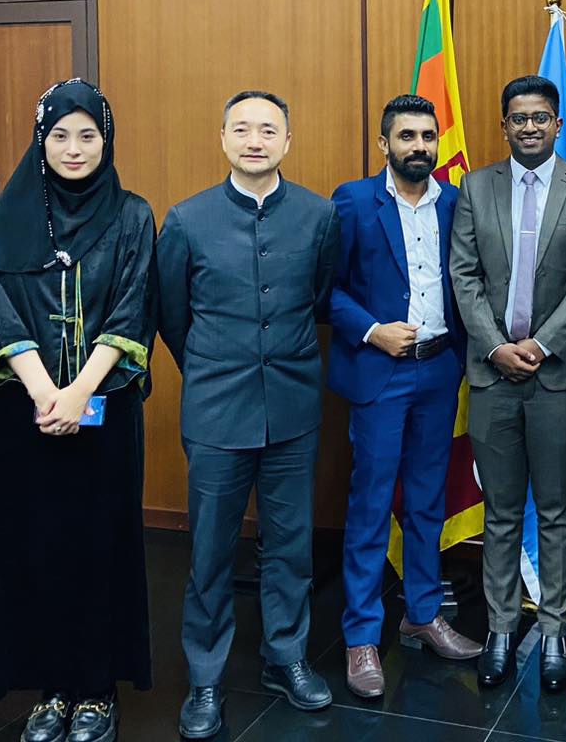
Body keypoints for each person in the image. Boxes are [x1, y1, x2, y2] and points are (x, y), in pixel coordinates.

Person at [0, 80, 156, 742]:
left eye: (88, 135)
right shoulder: (12, 214)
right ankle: (52, 690)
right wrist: (47, 391)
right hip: (31, 411)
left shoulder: (132, 215)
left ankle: (96, 690)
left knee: (101, 547)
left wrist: (80, 393)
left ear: (107, 140)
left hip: (106, 409)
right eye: (60, 135)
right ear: (40, 140)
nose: (74, 148)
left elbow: (133, 305)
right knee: (38, 546)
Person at [158, 90, 341, 736]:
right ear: (223, 139)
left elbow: (320, 297)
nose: (255, 140)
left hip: (293, 407)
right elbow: (172, 315)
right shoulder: (187, 220)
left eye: (268, 130)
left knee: (290, 546)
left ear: (287, 141)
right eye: (242, 129)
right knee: (210, 550)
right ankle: (204, 677)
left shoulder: (319, 216)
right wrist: (215, 366)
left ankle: (285, 657)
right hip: (216, 410)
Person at [449, 74, 566, 693]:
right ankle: (499, 628)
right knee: (500, 510)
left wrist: (540, 345)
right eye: (518, 118)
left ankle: (552, 632)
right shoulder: (475, 187)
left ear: (557, 124)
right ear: (504, 126)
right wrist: (496, 347)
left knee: (556, 510)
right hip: (491, 374)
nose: (529, 127)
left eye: (540, 117)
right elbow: (463, 275)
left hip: (558, 375)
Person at [328, 94, 480, 699]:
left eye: (427, 136)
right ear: (384, 144)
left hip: (439, 372)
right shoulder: (353, 202)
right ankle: (362, 636)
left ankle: (421, 614)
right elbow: (326, 289)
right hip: (380, 372)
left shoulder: (457, 203)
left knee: (426, 502)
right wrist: (372, 330)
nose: (419, 146)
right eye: (407, 136)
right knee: (371, 504)